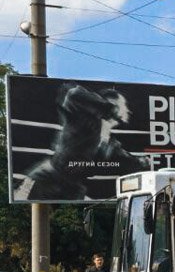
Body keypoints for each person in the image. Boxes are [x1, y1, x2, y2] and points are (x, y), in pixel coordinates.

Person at [18, 84, 149, 201]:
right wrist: (108, 108)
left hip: (71, 188)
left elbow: (121, 155)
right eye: (123, 105)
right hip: (48, 178)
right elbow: (72, 94)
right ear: (112, 103)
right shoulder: (82, 117)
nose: (127, 110)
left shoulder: (108, 142)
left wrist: (140, 161)